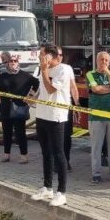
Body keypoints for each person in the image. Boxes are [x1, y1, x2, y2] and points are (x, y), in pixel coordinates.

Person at [30, 43, 74, 207]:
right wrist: (33, 98)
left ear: (50, 56)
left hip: (56, 116)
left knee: (58, 153)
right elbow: (42, 90)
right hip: (42, 114)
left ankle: (61, 192)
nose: (40, 57)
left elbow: (50, 89)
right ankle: (47, 187)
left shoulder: (63, 70)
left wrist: (44, 70)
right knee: (45, 152)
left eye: (42, 54)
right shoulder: (43, 69)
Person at [0, 52, 38, 164]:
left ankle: (24, 156)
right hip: (5, 107)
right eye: (11, 61)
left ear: (18, 63)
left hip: (19, 108)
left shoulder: (25, 75)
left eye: (15, 61)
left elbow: (36, 83)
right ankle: (6, 155)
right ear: (7, 63)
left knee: (20, 133)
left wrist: (30, 95)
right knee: (6, 132)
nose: (13, 62)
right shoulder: (3, 76)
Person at [86, 51, 110, 184]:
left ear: (109, 62)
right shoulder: (91, 74)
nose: (104, 62)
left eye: (106, 60)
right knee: (96, 146)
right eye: (101, 60)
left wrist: (108, 73)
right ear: (97, 61)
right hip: (96, 116)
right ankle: (96, 174)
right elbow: (96, 89)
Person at [57, 47, 79, 171]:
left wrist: (76, 104)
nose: (59, 57)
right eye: (57, 54)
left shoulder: (67, 68)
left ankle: (66, 161)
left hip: (66, 108)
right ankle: (56, 161)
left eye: (61, 55)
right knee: (54, 137)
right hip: (51, 110)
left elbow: (73, 87)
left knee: (66, 136)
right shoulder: (45, 69)